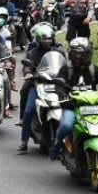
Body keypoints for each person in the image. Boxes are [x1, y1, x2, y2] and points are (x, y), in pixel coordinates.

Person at [50, 36, 98, 160]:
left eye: (81, 54)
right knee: (66, 125)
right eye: (75, 53)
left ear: (87, 54)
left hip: (92, 107)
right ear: (70, 54)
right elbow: (59, 84)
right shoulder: (66, 69)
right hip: (71, 106)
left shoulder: (94, 69)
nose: (78, 57)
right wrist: (61, 93)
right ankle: (57, 144)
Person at [18, 22, 64, 154]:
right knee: (28, 110)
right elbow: (27, 66)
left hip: (56, 84)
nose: (47, 41)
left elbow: (65, 64)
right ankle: (24, 141)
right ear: (38, 39)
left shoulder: (58, 51)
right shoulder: (32, 53)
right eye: (44, 38)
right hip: (38, 84)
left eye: (49, 38)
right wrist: (29, 73)